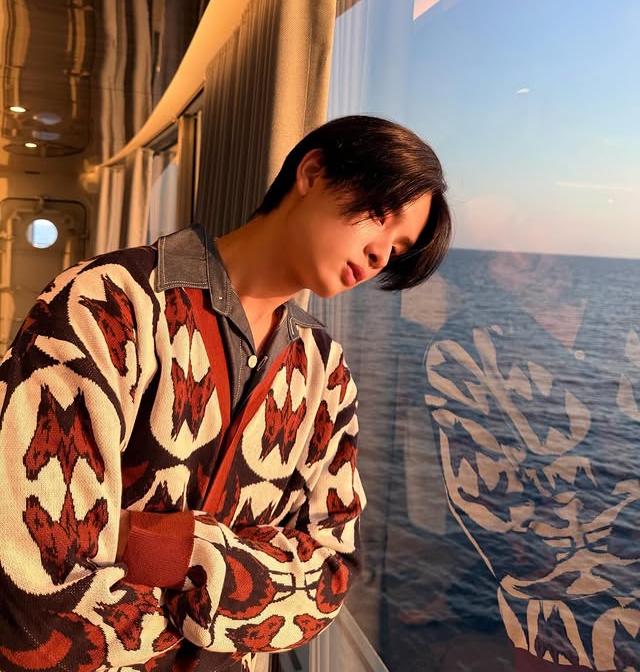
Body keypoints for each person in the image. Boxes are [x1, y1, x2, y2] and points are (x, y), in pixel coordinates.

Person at [0, 115, 451, 671]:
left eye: (399, 248)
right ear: (313, 172)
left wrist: (172, 546)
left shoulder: (325, 373)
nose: (382, 253)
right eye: (380, 215)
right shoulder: (110, 302)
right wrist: (240, 601)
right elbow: (32, 567)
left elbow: (333, 574)